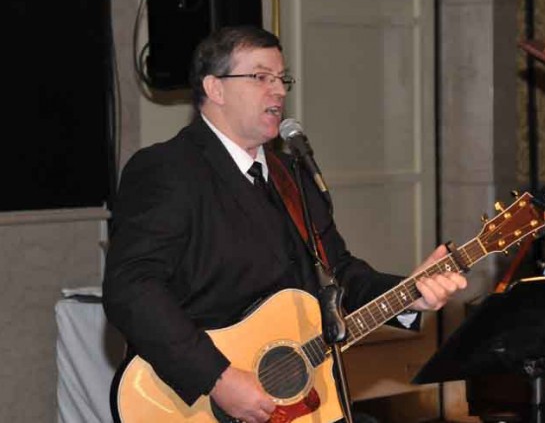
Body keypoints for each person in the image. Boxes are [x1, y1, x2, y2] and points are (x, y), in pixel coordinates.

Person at [102, 25, 467, 423]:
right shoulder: (168, 169)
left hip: (298, 400)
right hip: (200, 401)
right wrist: (218, 378)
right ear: (215, 88)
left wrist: (409, 294)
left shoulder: (291, 174)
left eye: (282, 78)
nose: (278, 90)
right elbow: (131, 288)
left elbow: (339, 274)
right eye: (261, 77)